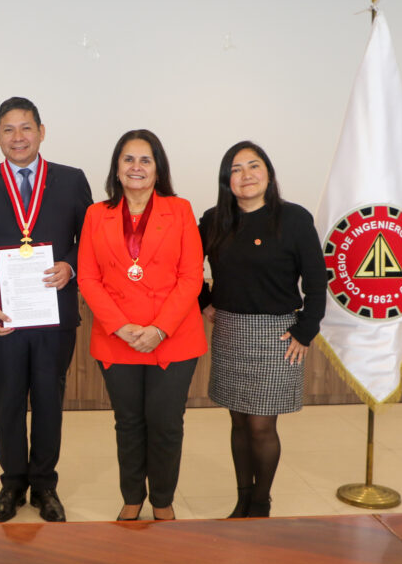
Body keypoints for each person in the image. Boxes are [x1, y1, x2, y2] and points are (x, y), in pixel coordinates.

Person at [0, 97, 93, 522]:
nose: (18, 137)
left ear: (41, 131)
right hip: (4, 318)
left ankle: (45, 485)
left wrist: (70, 265)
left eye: (26, 128)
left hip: (54, 316)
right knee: (9, 401)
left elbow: (90, 240)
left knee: (50, 401)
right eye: (8, 129)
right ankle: (12, 484)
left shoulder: (71, 180)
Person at [77, 130, 206, 522]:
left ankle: (162, 500)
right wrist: (120, 327)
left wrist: (160, 329)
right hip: (118, 338)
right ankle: (132, 497)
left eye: (145, 160)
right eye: (128, 159)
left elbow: (191, 277)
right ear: (116, 168)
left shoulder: (180, 210)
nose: (136, 167)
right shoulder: (96, 214)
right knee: (129, 423)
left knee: (165, 424)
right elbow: (88, 278)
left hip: (172, 337)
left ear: (157, 169)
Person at [199, 141, 327, 518]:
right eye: (236, 169)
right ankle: (242, 498)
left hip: (279, 335)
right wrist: (203, 300)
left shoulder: (294, 219)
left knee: (260, 426)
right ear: (226, 180)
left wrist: (305, 331)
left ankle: (260, 502)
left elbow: (317, 281)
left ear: (268, 173)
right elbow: (185, 265)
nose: (246, 175)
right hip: (230, 331)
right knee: (238, 421)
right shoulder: (213, 220)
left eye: (254, 166)